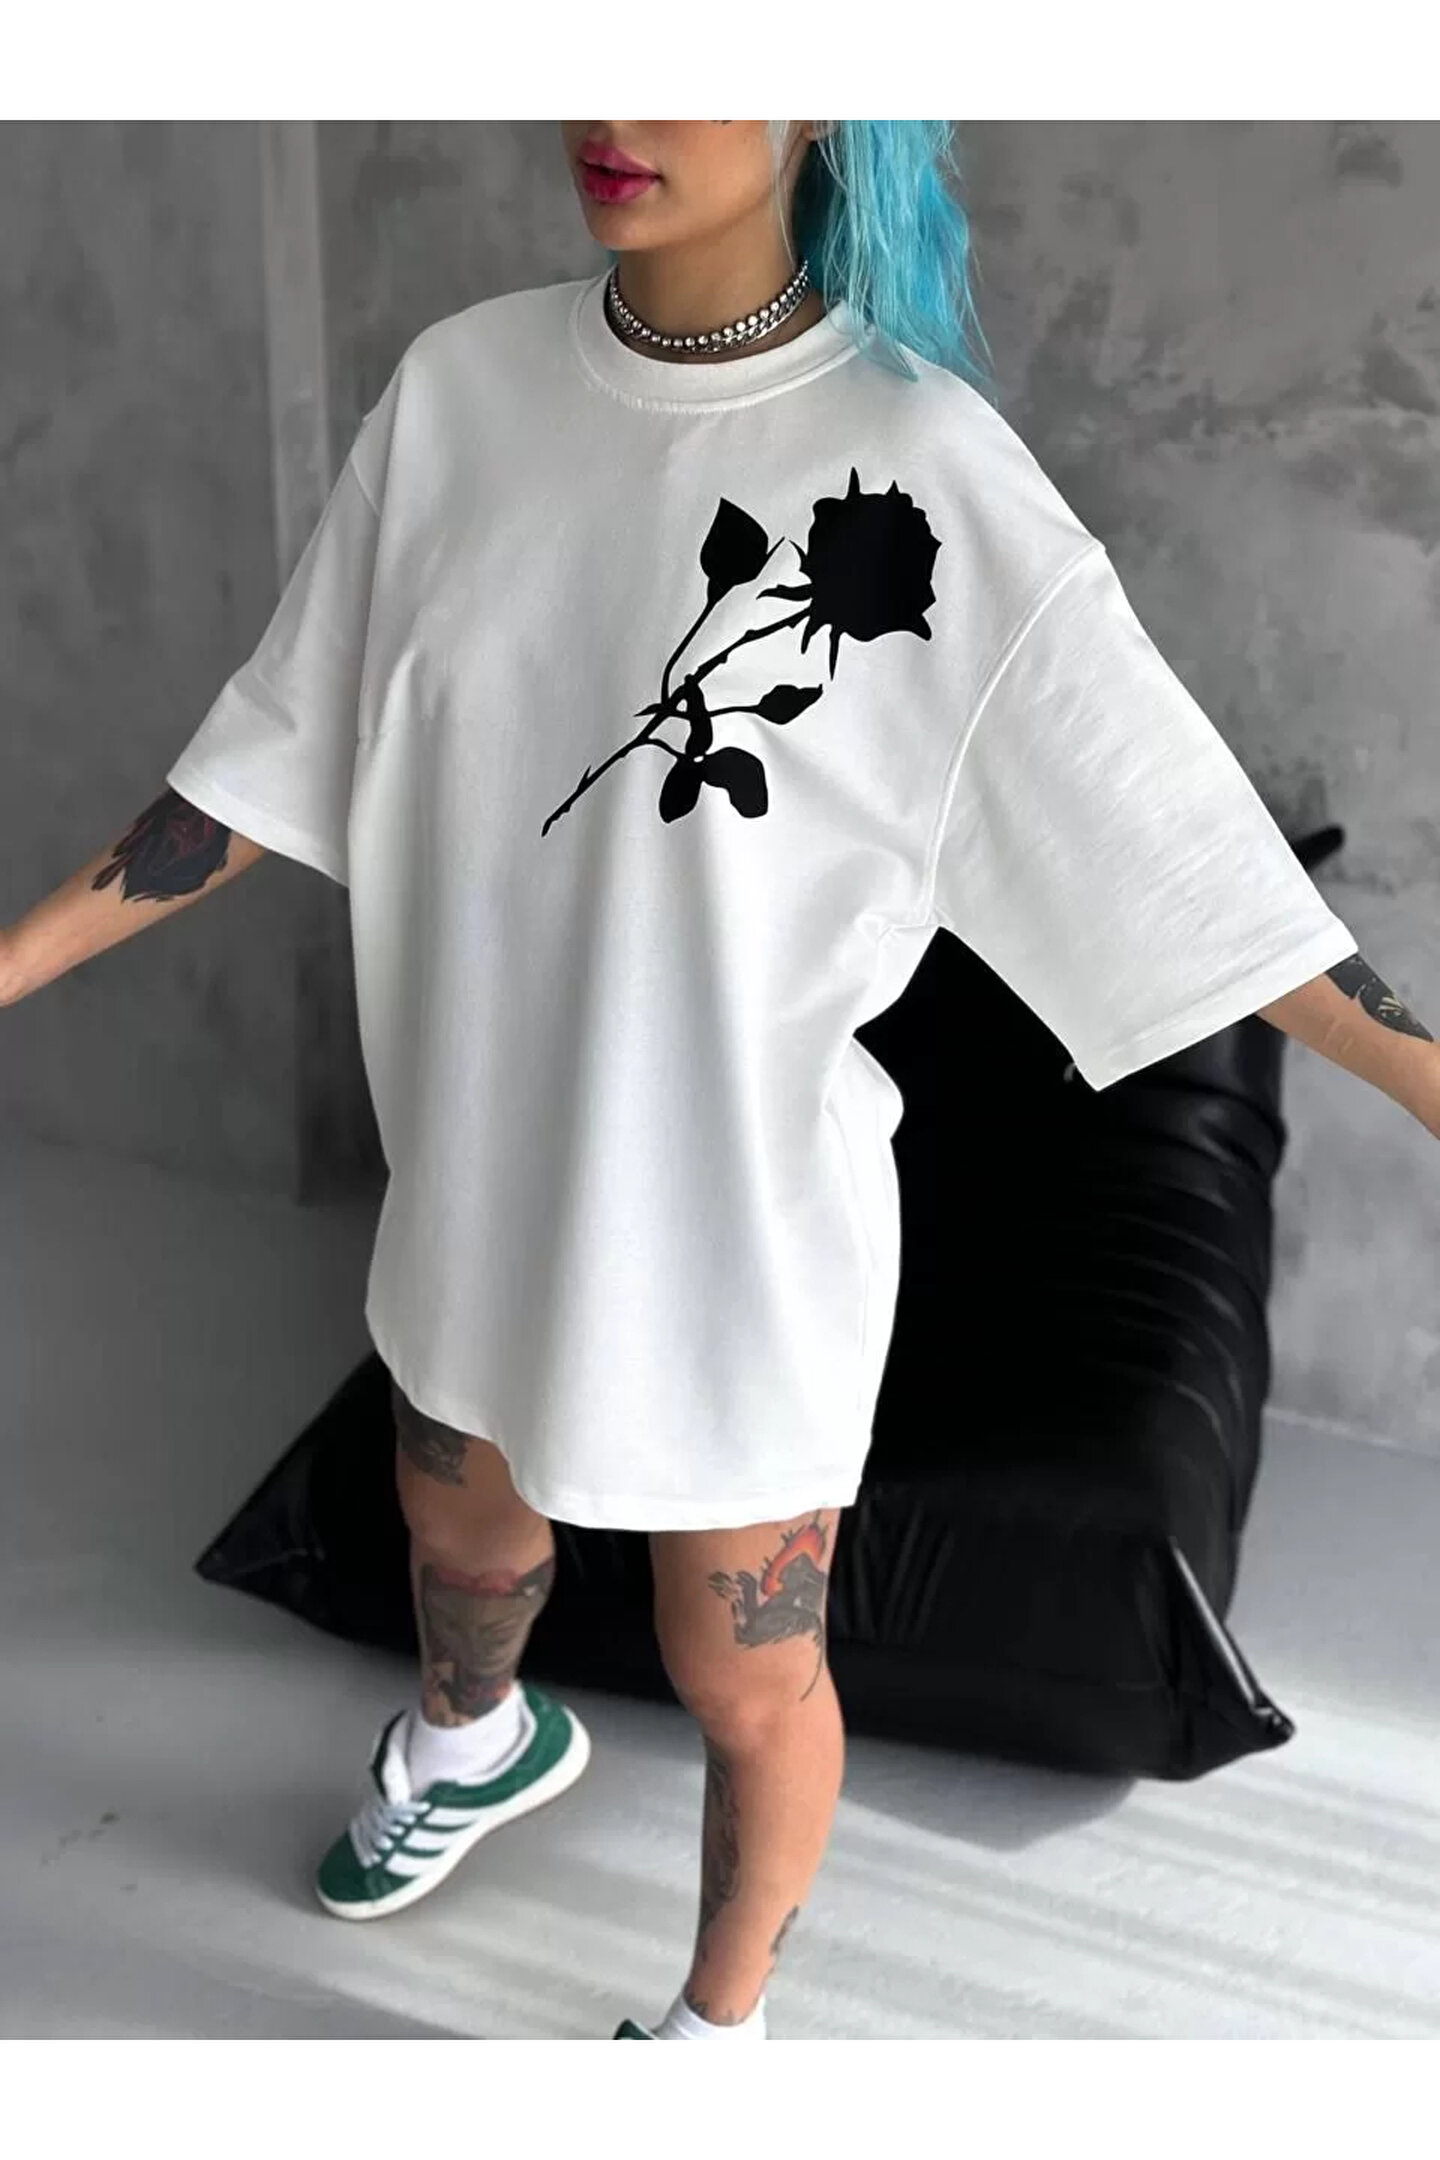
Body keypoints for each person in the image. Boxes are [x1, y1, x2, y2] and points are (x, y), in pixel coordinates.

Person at [3, 120, 1437, 2044]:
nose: (619, 101)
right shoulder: (461, 393)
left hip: (742, 1233)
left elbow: (1188, 857)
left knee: (743, 1665)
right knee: (459, 1526)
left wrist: (1423, 1078)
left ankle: (715, 2036)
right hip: (482, 1166)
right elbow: (268, 757)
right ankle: (475, 1738)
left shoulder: (929, 476)